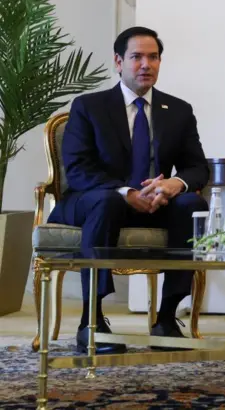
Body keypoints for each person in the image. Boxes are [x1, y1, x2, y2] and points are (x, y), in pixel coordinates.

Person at [48, 27, 210, 354]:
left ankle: (166, 319)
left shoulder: (178, 111)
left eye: (153, 57)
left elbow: (197, 168)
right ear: (119, 62)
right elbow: (78, 171)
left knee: (191, 203)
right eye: (136, 57)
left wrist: (171, 185)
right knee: (107, 201)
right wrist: (126, 192)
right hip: (94, 200)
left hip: (154, 203)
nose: (145, 64)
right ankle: (90, 322)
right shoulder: (89, 106)